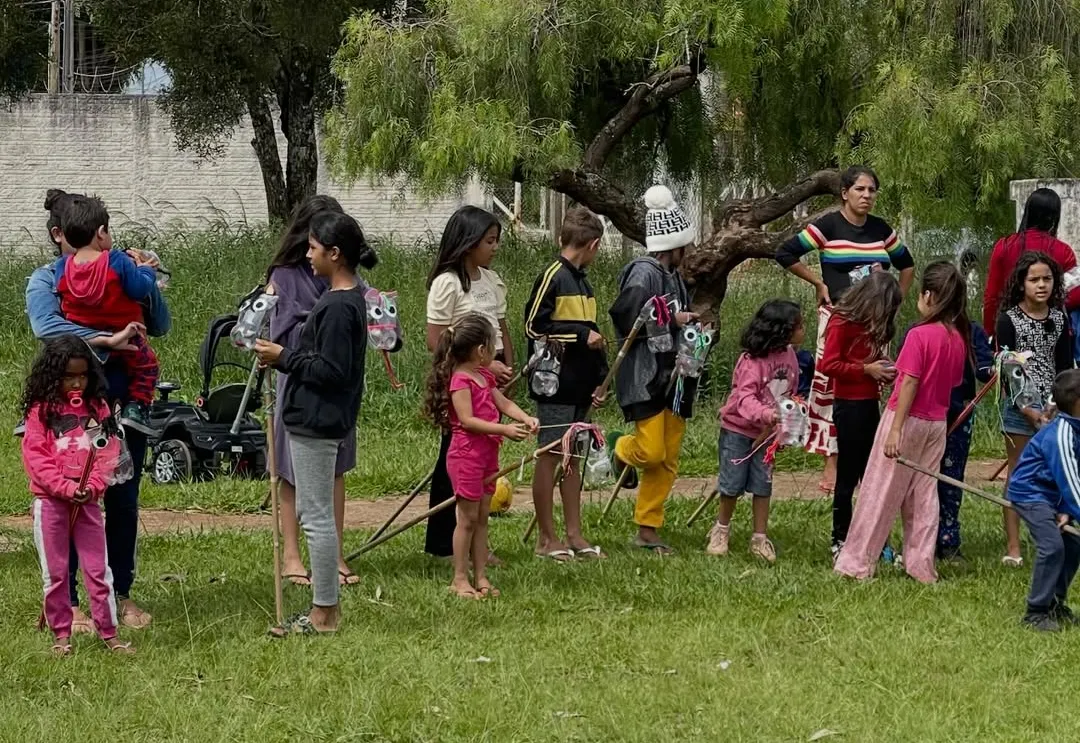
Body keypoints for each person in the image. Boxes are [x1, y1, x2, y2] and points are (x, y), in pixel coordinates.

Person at [26, 188, 171, 632]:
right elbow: (48, 327)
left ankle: (119, 593)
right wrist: (108, 337)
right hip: (75, 395)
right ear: (58, 234)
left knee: (122, 492)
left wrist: (143, 282)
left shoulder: (119, 266)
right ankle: (66, 600)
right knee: (68, 491)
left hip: (123, 392)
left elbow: (160, 324)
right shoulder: (45, 279)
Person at [254, 210, 377, 636]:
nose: (307, 255)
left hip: (318, 421)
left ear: (335, 253)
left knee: (317, 518)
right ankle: (324, 606)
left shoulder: (341, 307)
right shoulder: (342, 299)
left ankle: (325, 610)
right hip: (316, 418)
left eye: (313, 247)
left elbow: (334, 370)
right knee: (312, 511)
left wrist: (282, 357)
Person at [775, 166, 915, 496]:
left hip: (875, 325)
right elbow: (785, 252)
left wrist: (895, 300)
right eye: (860, 190)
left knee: (873, 384)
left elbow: (906, 264)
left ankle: (873, 456)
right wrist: (817, 282)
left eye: (871, 191)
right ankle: (832, 460)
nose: (866, 196)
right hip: (839, 317)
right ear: (845, 193)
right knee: (830, 387)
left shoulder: (882, 229)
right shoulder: (828, 226)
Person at [834, 262, 968, 584]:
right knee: (924, 496)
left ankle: (856, 563)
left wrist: (895, 429)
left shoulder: (918, 335)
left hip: (905, 420)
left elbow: (909, 384)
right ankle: (921, 565)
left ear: (929, 296)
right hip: (935, 425)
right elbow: (949, 384)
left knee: (879, 492)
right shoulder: (957, 339)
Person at [265, 195, 363, 588]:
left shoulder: (345, 287)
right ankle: (292, 554)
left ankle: (332, 555)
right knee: (292, 470)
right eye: (308, 244)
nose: (310, 253)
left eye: (316, 247)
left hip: (335, 385)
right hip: (299, 382)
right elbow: (279, 328)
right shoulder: (286, 275)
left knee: (334, 467)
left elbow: (362, 323)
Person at [23, 335, 134, 655]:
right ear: (53, 375)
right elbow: (36, 457)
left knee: (99, 572)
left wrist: (95, 485)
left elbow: (108, 451)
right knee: (56, 573)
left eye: (82, 375)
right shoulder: (41, 411)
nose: (76, 383)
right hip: (51, 503)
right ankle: (62, 635)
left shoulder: (97, 408)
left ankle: (109, 633)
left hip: (87, 503)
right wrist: (66, 487)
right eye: (69, 376)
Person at [609, 184, 700, 554]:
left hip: (677, 374)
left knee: (669, 456)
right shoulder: (642, 273)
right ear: (672, 245)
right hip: (645, 375)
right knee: (651, 451)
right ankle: (619, 448)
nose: (688, 252)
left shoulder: (675, 276)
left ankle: (648, 527)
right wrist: (672, 319)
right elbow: (626, 315)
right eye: (685, 247)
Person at [423, 313, 538, 598]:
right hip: (466, 457)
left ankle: (481, 576)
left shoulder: (484, 376)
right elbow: (467, 420)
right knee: (467, 519)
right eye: (493, 344)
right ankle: (460, 578)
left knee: (483, 517)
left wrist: (525, 417)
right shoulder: (461, 380)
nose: (496, 349)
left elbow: (503, 401)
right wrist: (504, 429)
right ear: (481, 351)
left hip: (487, 454)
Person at [424, 206, 513, 561]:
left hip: (494, 378)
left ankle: (478, 542)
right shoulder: (448, 284)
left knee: (485, 458)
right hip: (464, 380)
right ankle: (444, 541)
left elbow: (500, 327)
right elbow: (436, 340)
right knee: (458, 456)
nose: (494, 247)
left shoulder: (491, 280)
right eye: (489, 241)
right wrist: (482, 364)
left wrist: (506, 366)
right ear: (468, 242)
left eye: (496, 240)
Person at [522, 206, 609, 561]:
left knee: (574, 456)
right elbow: (533, 326)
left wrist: (601, 379)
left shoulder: (584, 282)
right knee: (552, 455)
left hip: (581, 385)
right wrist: (579, 335)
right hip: (554, 382)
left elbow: (593, 333)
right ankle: (546, 537)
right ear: (593, 244)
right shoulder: (553, 275)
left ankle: (574, 533)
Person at [52, 195, 160, 434]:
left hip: (84, 342)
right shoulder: (116, 260)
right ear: (101, 232)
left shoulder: (62, 267)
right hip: (126, 334)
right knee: (147, 366)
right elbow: (138, 289)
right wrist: (146, 271)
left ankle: (58, 410)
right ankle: (136, 408)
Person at [707, 300, 803, 563]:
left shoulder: (790, 355)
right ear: (781, 329)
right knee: (732, 483)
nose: (803, 331)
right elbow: (744, 397)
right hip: (738, 430)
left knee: (763, 483)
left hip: (768, 434)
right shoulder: (752, 361)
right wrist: (766, 414)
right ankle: (721, 530)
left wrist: (786, 423)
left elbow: (789, 393)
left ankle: (759, 538)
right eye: (798, 326)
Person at [996, 252, 1073, 566]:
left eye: (1047, 279)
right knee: (1018, 474)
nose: (1041, 285)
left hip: (1055, 405)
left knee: (1056, 472)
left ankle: (1056, 537)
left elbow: (1065, 366)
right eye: (1034, 279)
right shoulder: (1009, 319)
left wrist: (1058, 405)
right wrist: (1030, 410)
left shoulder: (1059, 318)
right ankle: (1013, 548)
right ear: (1021, 283)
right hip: (1018, 407)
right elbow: (1009, 366)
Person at [818, 271, 902, 559]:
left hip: (869, 403)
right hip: (848, 405)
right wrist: (865, 370)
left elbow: (869, 360)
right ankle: (840, 538)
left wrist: (883, 369)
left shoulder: (870, 326)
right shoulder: (841, 321)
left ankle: (873, 537)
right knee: (848, 475)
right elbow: (829, 364)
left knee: (873, 473)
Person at [905, 319, 994, 560]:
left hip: (958, 416)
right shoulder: (917, 330)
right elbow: (908, 375)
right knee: (921, 479)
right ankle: (920, 541)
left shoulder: (971, 330)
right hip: (923, 415)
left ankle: (948, 541)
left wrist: (1001, 366)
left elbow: (984, 370)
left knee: (951, 479)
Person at [1006, 369, 1080, 632]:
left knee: (1071, 543)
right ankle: (1035, 612)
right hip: (1030, 493)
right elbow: (1070, 480)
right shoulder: (1060, 434)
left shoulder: (1076, 429)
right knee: (1052, 546)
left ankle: (1054, 603)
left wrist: (1064, 510)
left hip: (1051, 494)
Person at [983, 187, 1080, 336]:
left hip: (1010, 330)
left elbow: (992, 296)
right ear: (1054, 217)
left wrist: (989, 333)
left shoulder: (1004, 246)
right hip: (1051, 331)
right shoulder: (1063, 251)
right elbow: (1074, 296)